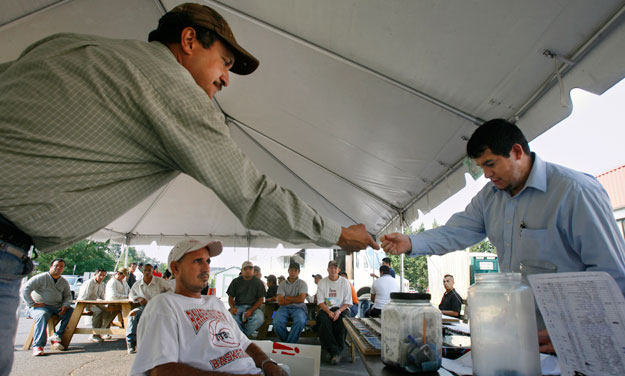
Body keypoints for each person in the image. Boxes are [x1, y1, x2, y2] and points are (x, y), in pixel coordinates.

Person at [0, 3, 378, 372]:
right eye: (225, 63)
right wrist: (339, 234)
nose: (227, 79)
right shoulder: (175, 89)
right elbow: (254, 193)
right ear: (189, 40)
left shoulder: (70, 45)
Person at [381, 118, 625, 353]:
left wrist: (581, 331)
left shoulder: (574, 191)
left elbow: (613, 274)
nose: (487, 174)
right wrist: (412, 242)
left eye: (491, 163)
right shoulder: (490, 198)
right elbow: (456, 231)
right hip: (522, 338)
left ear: (517, 152)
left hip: (575, 342)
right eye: (481, 167)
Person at [130, 238, 287, 376]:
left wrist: (267, 363)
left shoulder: (215, 303)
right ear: (176, 268)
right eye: (198, 261)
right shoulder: (164, 305)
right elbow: (161, 370)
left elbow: (245, 344)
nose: (206, 268)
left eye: (208, 261)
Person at [22, 258, 73, 356]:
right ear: (51, 267)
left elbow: (67, 296)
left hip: (56, 307)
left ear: (63, 269)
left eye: (61, 266)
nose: (58, 268)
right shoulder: (41, 277)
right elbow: (25, 289)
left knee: (72, 312)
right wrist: (32, 303)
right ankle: (38, 346)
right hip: (38, 307)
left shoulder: (63, 282)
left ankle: (57, 336)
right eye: (56, 266)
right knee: (42, 314)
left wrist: (65, 305)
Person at [127, 263, 172, 354]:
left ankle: (165, 344)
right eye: (145, 270)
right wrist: (138, 298)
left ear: (153, 271)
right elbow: (131, 295)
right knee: (133, 315)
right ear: (142, 272)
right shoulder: (138, 284)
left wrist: (162, 298)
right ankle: (131, 343)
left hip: (158, 306)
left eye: (149, 270)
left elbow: (170, 290)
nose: (147, 272)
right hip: (144, 307)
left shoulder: (160, 281)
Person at [316, 260, 352, 365]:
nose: (333, 270)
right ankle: (335, 352)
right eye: (331, 268)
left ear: (339, 270)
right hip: (326, 309)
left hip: (341, 309)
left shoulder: (345, 282)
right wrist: (328, 312)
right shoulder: (322, 282)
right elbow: (320, 302)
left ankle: (331, 350)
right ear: (327, 269)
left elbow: (347, 302)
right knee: (323, 321)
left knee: (343, 321)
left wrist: (338, 311)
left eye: (335, 268)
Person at [227, 261, 266, 337]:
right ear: (242, 270)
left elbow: (261, 299)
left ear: (253, 270)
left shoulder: (259, 282)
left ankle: (242, 335)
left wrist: (251, 310)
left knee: (259, 319)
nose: (248, 270)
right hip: (238, 307)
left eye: (250, 268)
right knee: (230, 317)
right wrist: (232, 307)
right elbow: (231, 297)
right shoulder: (235, 281)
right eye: (245, 269)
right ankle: (244, 336)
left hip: (254, 308)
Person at [77, 269, 117, 342]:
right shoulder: (89, 283)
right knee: (98, 312)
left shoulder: (102, 284)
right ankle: (94, 334)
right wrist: (93, 303)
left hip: (98, 303)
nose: (102, 277)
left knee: (112, 310)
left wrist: (105, 302)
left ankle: (102, 331)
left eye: (104, 275)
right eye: (100, 275)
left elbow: (102, 296)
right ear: (95, 275)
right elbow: (84, 297)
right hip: (86, 304)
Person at [274, 263, 308, 343]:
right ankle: (290, 344)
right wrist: (295, 298)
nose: (293, 272)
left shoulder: (303, 283)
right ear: (288, 271)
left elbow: (301, 299)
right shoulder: (282, 284)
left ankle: (288, 344)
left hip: (299, 308)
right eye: (291, 270)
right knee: (276, 322)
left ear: (298, 272)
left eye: (295, 270)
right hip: (284, 308)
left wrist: (287, 297)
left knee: (300, 321)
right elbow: (280, 301)